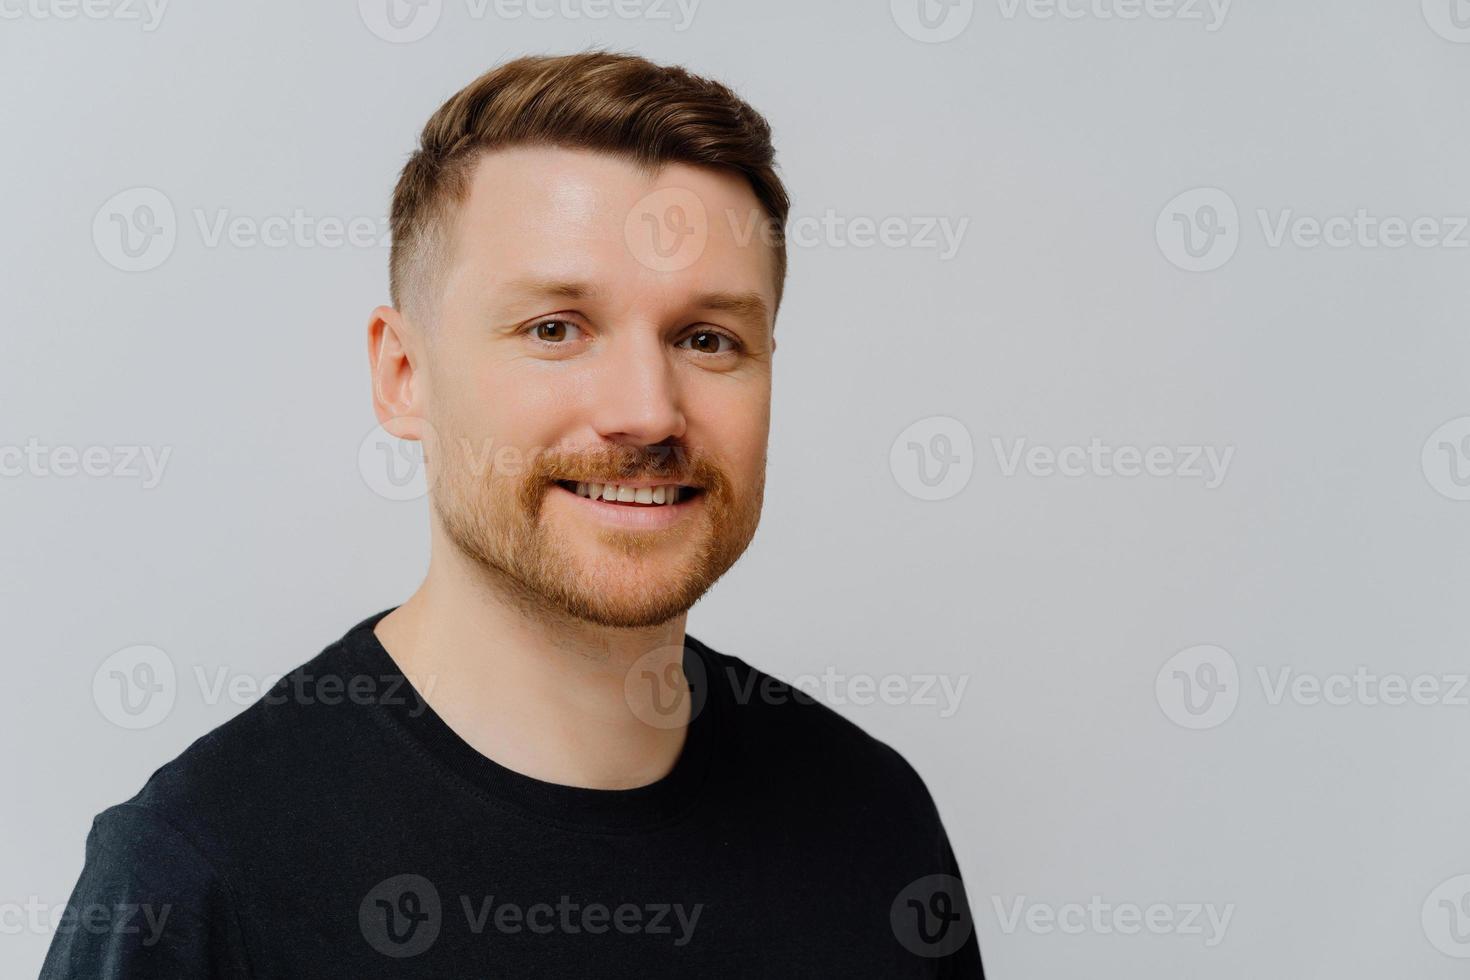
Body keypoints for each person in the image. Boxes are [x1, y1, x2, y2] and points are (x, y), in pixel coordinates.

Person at [42, 50, 982, 977]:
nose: (647, 411)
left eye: (708, 338)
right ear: (403, 376)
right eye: (555, 329)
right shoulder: (197, 876)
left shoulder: (873, 821)